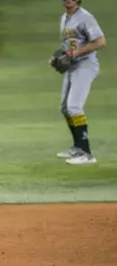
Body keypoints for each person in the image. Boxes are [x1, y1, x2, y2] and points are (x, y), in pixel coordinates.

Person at [55, 0, 106, 165]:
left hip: (85, 65)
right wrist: (60, 56)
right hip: (72, 66)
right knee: (64, 107)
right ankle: (78, 146)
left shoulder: (85, 17)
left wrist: (75, 53)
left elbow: (100, 41)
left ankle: (86, 153)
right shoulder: (64, 17)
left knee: (74, 106)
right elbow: (69, 45)